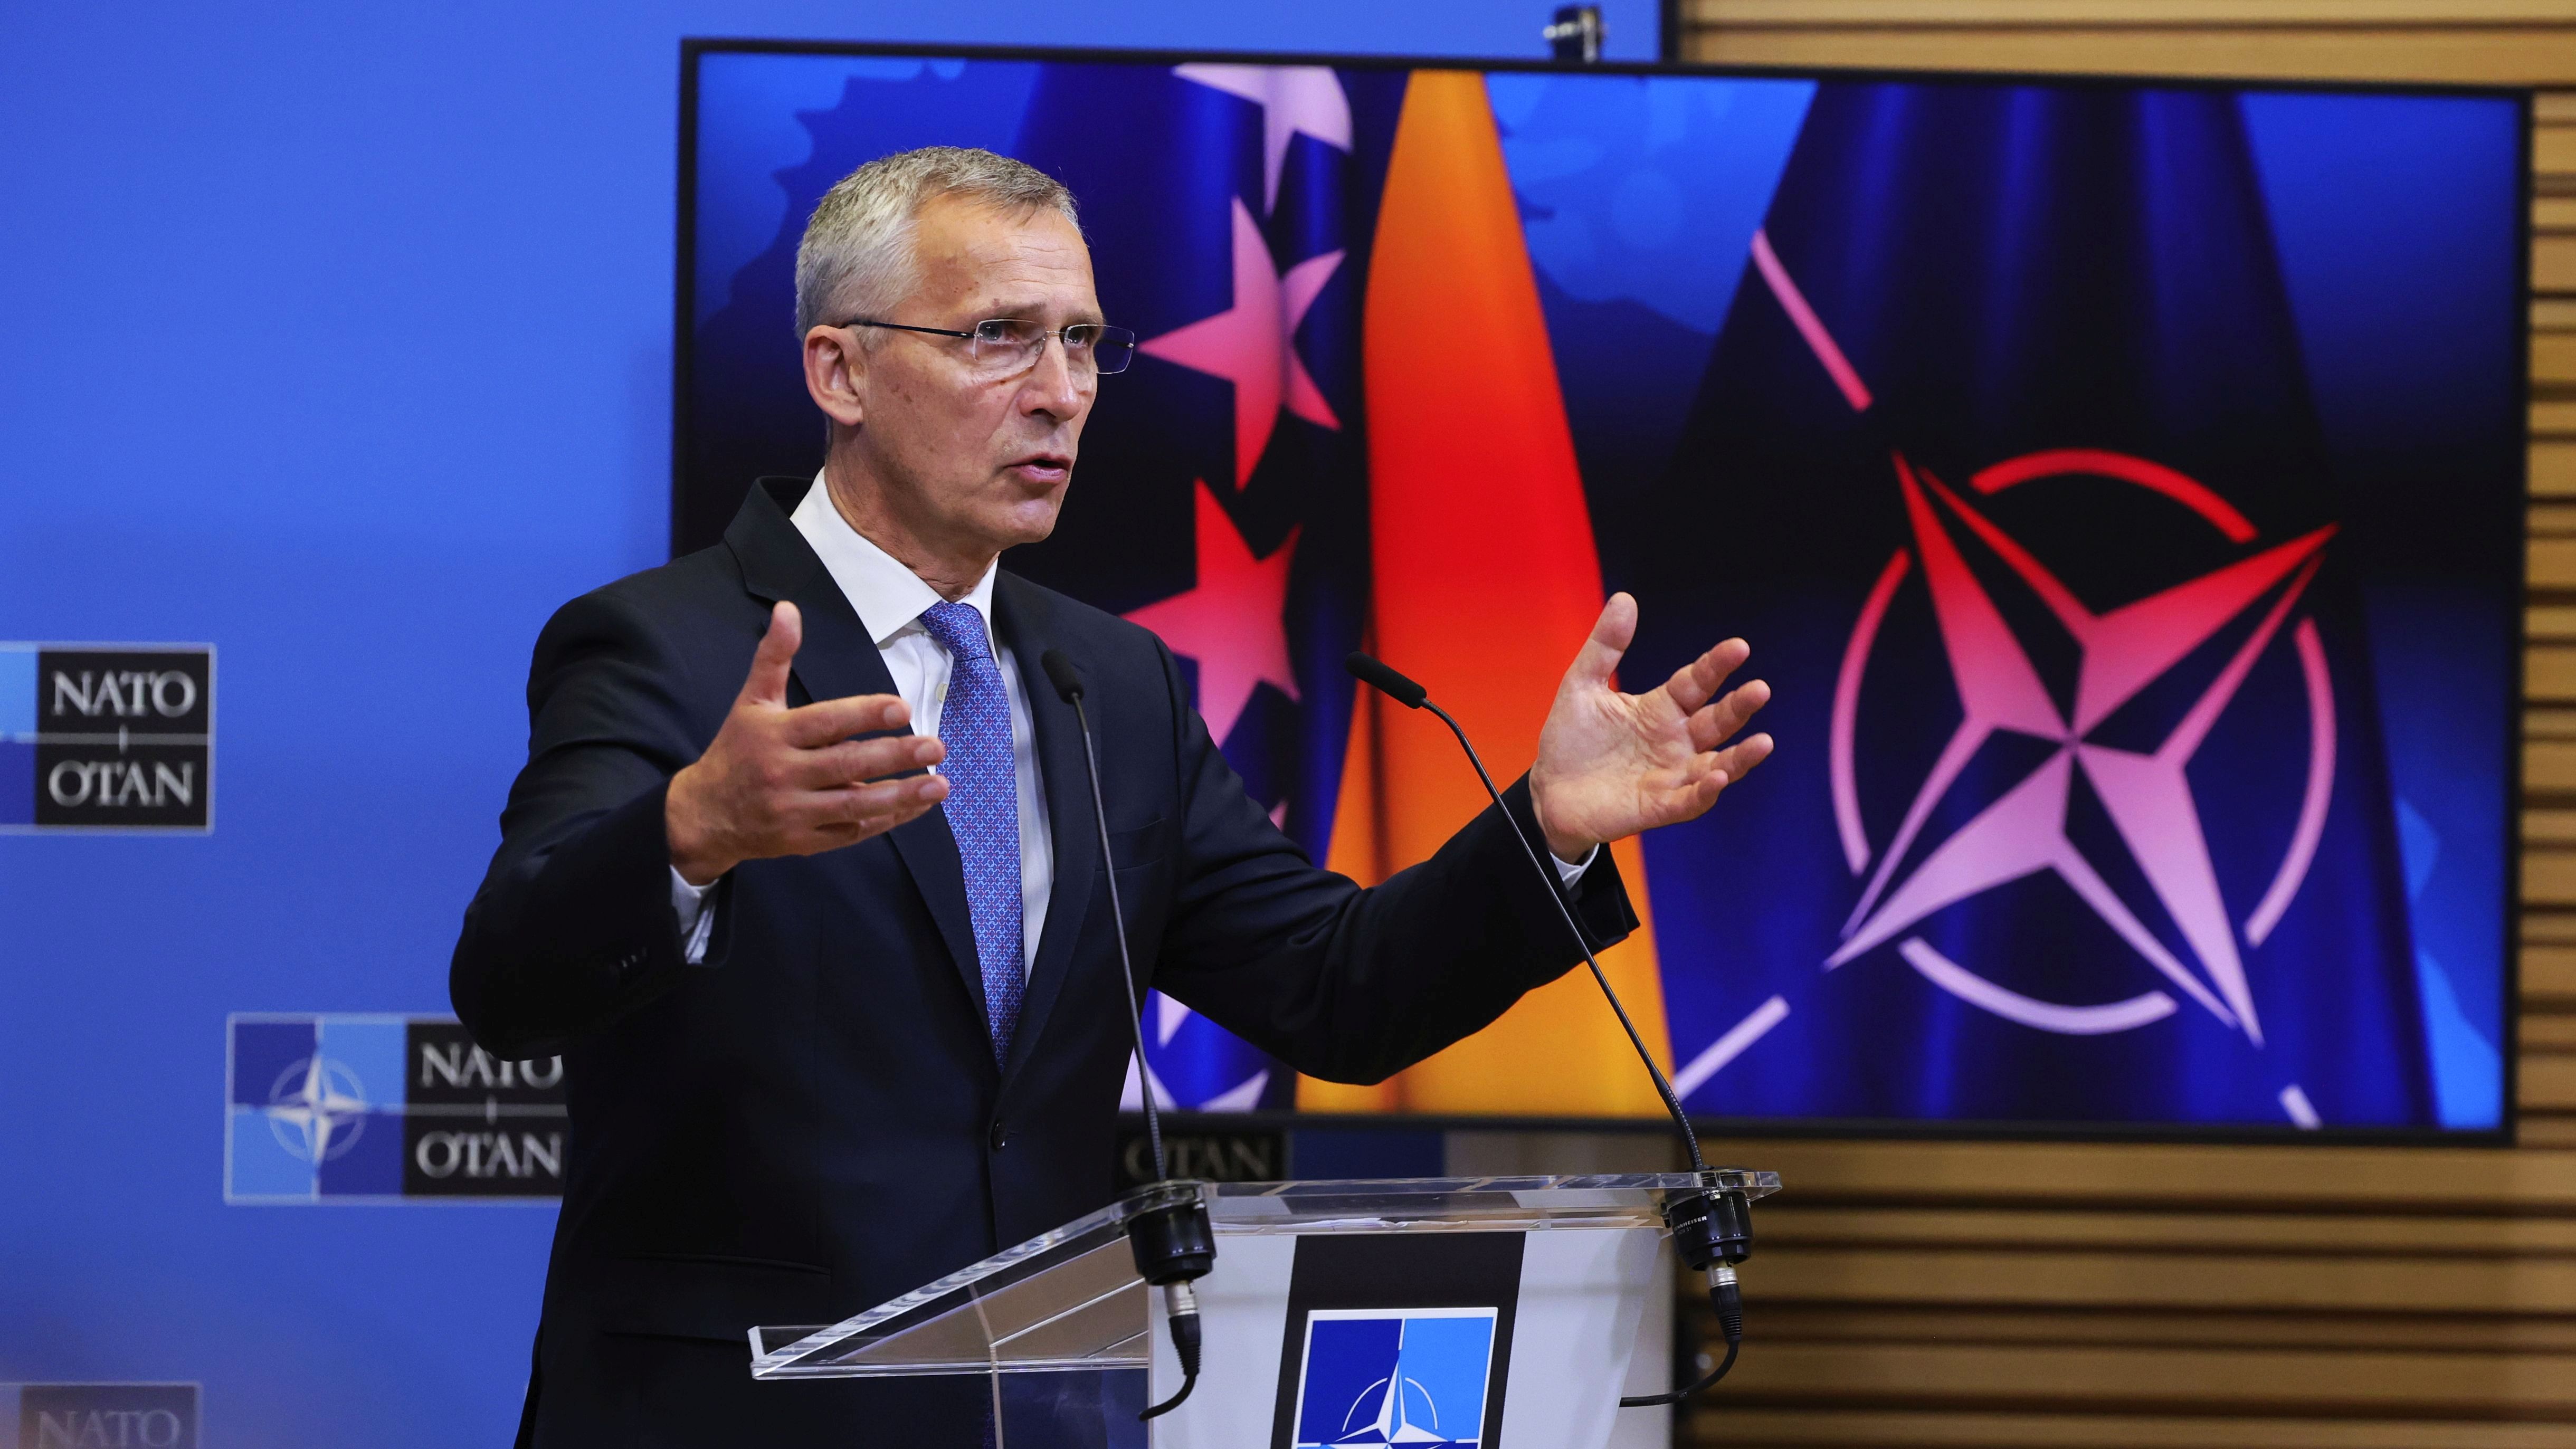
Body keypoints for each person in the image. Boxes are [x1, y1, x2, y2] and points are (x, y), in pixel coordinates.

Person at [451, 146, 1772, 1447]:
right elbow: (508, 981)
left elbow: (1336, 989)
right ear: (839, 370)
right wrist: (691, 833)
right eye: (997, 337)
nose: (1060, 394)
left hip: (1039, 1409)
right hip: (730, 1418)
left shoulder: (1111, 680)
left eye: (1081, 341)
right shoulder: (667, 647)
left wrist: (1547, 829)